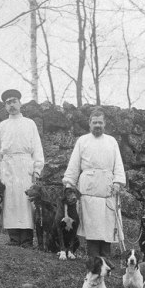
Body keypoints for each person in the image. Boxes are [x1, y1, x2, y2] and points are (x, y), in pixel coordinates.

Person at [62, 107, 126, 258]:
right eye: (95, 122)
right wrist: (69, 183)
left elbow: (118, 164)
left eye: (100, 123)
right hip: (88, 188)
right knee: (91, 224)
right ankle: (93, 257)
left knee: (107, 223)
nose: (97, 125)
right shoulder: (82, 141)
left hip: (107, 188)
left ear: (105, 124)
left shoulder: (111, 141)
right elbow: (74, 164)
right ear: (89, 123)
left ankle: (105, 257)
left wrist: (117, 182)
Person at [0, 88, 45, 247]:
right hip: (8, 166)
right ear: (5, 106)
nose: (11, 105)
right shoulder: (2, 125)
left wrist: (37, 169)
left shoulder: (29, 123)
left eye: (14, 101)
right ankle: (14, 238)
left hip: (25, 166)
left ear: (20, 103)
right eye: (8, 103)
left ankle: (27, 240)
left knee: (25, 201)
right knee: (10, 201)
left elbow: (37, 148)